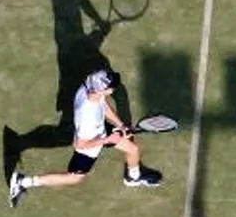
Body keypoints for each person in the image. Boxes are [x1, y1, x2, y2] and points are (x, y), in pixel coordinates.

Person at [10, 67, 161, 203]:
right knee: (74, 178)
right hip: (89, 145)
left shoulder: (88, 88)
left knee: (132, 149)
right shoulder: (87, 117)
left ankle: (133, 177)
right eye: (110, 88)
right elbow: (80, 144)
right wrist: (108, 139)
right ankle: (23, 182)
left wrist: (120, 125)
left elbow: (103, 104)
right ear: (101, 90)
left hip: (100, 129)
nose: (113, 89)